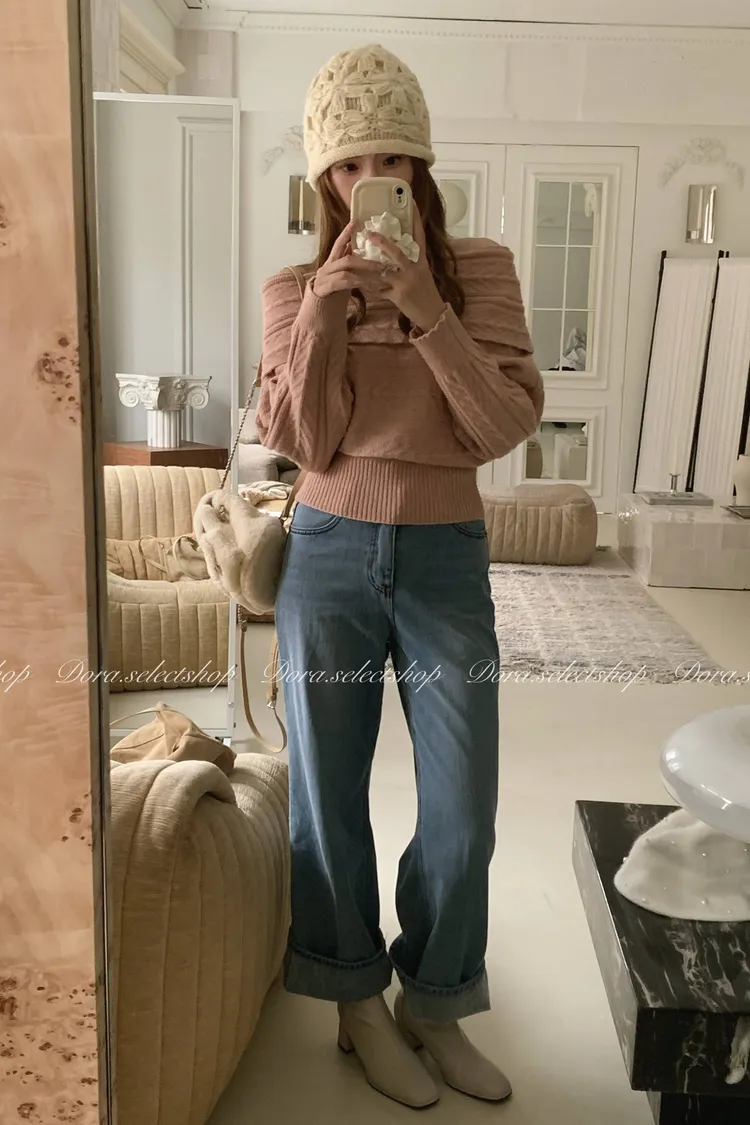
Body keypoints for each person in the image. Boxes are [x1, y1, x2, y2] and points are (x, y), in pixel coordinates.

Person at [256, 43, 544, 1110]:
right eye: (350, 164)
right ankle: (356, 1009)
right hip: (327, 553)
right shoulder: (294, 290)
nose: (373, 179)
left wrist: (429, 313)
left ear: (421, 166)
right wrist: (324, 316)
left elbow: (500, 426)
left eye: (392, 159)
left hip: (443, 559)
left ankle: (436, 1002)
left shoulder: (484, 272)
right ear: (325, 180)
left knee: (463, 806)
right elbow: (302, 442)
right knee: (327, 798)